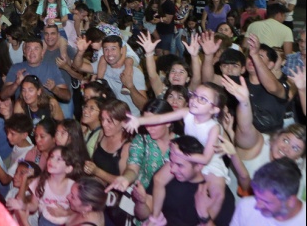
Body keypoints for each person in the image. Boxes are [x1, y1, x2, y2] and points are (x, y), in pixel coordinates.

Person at [125, 82, 229, 220]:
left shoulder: (214, 128)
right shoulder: (187, 112)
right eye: (194, 95)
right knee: (158, 179)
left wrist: (180, 153)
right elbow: (161, 117)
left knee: (218, 195)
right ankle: (155, 217)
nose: (194, 100)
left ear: (214, 110)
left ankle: (205, 221)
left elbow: (205, 159)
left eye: (202, 99)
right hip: (185, 154)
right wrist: (139, 121)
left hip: (209, 161)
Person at [132, 135, 236, 226]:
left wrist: (205, 216)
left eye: (180, 165)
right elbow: (142, 215)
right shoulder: (166, 178)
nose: (172, 169)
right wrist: (141, 202)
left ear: (199, 166)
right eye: (171, 162)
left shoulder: (220, 196)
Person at [231, 158, 306, 226]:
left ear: (290, 201)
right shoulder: (246, 206)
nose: (257, 205)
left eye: (266, 202)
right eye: (257, 197)